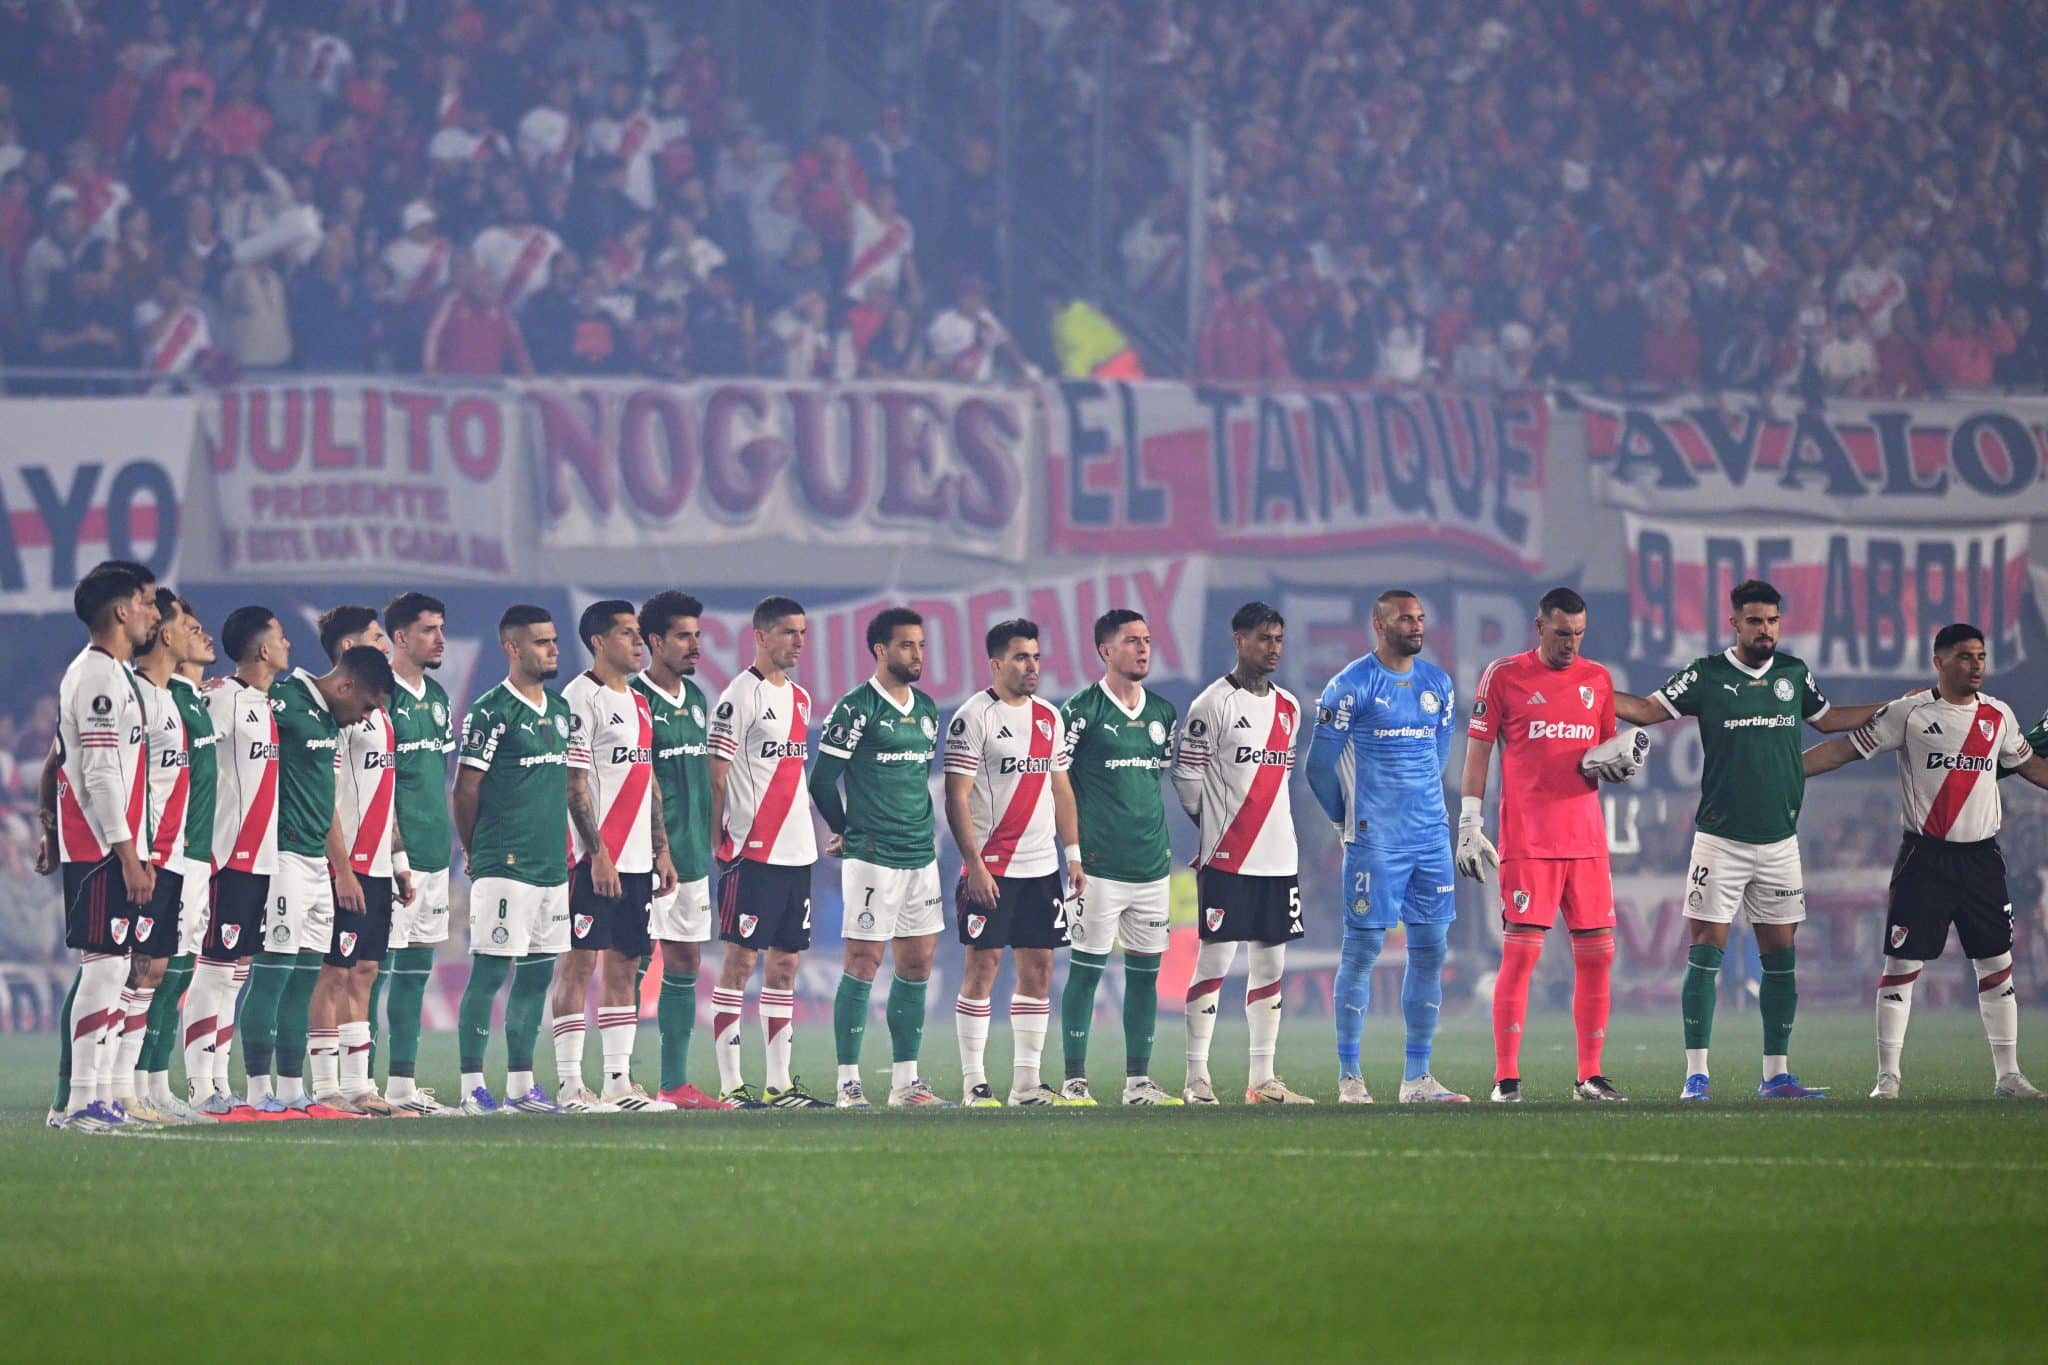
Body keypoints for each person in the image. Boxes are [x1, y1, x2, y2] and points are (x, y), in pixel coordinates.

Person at [1613, 580, 1888, 1100]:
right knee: (1705, 951)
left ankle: (1775, 1075)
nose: (1766, 630)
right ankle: (1696, 1075)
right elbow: (1648, 711)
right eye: (1756, 620)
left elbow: (1830, 722)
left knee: (1781, 957)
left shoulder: (1793, 674)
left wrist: (1894, 706)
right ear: (1734, 622)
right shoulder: (1707, 674)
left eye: (1774, 620)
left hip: (1781, 842)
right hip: (1719, 840)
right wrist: (1586, 690)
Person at [1802, 624, 2048, 1099]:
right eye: (1964, 656)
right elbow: (1844, 750)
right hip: (1925, 857)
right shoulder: (1909, 714)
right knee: (1901, 965)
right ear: (1939, 662)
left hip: (1981, 859)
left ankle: (2009, 1075)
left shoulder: (1999, 716)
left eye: (1980, 656)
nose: (1976, 664)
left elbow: (2028, 765)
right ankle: (1887, 1078)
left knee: (1996, 964)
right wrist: (1785, 769)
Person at [1456, 588, 1643, 1103]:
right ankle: (1505, 1079)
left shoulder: (1598, 679)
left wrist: (1618, 764)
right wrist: (1469, 821)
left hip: (1586, 842)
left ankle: (1589, 1074)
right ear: (1539, 627)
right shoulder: (1504, 676)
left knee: (1598, 958)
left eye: (1579, 634)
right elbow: (1478, 751)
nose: (1571, 644)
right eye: (1562, 634)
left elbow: (1602, 754)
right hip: (1529, 841)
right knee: (1520, 960)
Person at [1305, 590, 1465, 1104]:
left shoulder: (1437, 684)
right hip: (1376, 843)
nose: (1416, 626)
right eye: (1405, 619)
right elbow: (1316, 767)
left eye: (1421, 618)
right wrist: (1343, 818)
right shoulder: (1349, 686)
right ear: (1378, 624)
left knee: (1430, 951)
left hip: (1430, 839)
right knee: (1364, 951)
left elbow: (1437, 760)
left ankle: (1417, 1078)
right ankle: (1350, 1077)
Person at [809, 607, 951, 1109]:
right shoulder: (855, 708)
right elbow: (821, 780)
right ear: (881, 650)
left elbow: (916, 780)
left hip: (920, 854)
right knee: (864, 961)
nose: (917, 654)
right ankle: (848, 1082)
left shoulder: (929, 710)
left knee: (917, 963)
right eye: (907, 645)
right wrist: (846, 831)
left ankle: (905, 1083)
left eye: (922, 645)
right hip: (872, 855)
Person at [245, 632, 391, 1119]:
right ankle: (254, 1090)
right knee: (272, 976)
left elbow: (325, 800)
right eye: (368, 705)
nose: (369, 717)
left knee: (306, 978)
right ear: (346, 686)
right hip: (281, 855)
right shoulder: (282, 702)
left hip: (316, 862)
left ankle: (292, 1091)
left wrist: (343, 869)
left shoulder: (328, 721)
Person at [1173, 603, 1312, 1105]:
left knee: (1271, 967)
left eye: (1278, 638)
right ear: (1238, 640)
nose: (1272, 647)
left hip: (1279, 859)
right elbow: (1187, 779)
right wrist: (1211, 831)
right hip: (1229, 858)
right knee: (1213, 962)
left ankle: (1262, 1080)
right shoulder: (1212, 705)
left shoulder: (1290, 708)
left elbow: (1282, 782)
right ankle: (1196, 1078)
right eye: (1262, 639)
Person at [943, 618, 1084, 1107]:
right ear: (996, 663)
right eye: (1022, 657)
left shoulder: (1050, 716)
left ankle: (1026, 1082)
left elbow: (1060, 788)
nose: (1032, 666)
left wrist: (1073, 855)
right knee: (983, 967)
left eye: (1038, 657)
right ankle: (974, 1081)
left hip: (1041, 868)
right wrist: (974, 865)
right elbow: (956, 797)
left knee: (1040, 969)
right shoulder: (973, 717)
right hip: (993, 866)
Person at [551, 601, 679, 1113]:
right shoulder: (580, 699)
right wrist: (597, 853)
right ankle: (567, 1086)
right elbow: (573, 784)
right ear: (599, 641)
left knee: (626, 965)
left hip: (635, 863)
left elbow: (645, 782)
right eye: (627, 633)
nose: (639, 641)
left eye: (638, 633)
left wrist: (660, 850)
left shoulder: (641, 704)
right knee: (579, 966)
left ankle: (618, 1085)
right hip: (591, 860)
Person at [1057, 610, 1182, 1106]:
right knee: (1085, 972)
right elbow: (1057, 782)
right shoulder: (1081, 711)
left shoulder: (1163, 714)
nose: (1144, 649)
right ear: (1106, 651)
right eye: (1132, 641)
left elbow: (1160, 784)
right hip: (1098, 866)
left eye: (1148, 640)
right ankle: (1074, 1080)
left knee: (1145, 976)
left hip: (1151, 866)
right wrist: (1071, 853)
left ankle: (1138, 1083)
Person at [454, 605, 575, 1116]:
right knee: (489, 973)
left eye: (553, 641)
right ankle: (470, 1087)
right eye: (541, 642)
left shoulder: (561, 710)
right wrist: (475, 851)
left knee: (536, 975)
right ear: (512, 647)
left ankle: (522, 1086)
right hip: (504, 863)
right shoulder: (490, 710)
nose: (553, 649)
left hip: (551, 865)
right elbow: (465, 789)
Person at [49, 565, 156, 1132]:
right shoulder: (95, 676)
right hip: (98, 850)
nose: (154, 614)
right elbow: (98, 773)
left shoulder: (114, 675)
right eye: (146, 603)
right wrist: (127, 853)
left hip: (110, 846)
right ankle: (81, 1102)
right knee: (104, 967)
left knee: (114, 970)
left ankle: (99, 1099)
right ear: (121, 610)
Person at [708, 596, 827, 1108]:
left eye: (802, 633)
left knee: (785, 967)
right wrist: (720, 839)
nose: (798, 642)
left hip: (797, 854)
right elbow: (716, 774)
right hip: (753, 853)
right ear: (760, 636)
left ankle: (780, 1084)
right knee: (738, 964)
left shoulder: (800, 699)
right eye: (788, 633)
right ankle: (732, 1085)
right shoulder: (739, 696)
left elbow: (793, 775)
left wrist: (821, 830)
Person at [186, 606, 288, 1120]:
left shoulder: (265, 705)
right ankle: (199, 1086)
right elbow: (192, 766)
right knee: (214, 968)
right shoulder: (221, 698)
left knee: (234, 973)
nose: (288, 644)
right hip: (226, 856)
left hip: (260, 859)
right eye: (282, 637)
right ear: (263, 649)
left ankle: (220, 1082)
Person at [307, 608, 410, 1116]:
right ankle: (326, 1087)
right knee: (334, 970)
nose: (385, 646)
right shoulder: (340, 716)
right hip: (342, 865)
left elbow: (382, 793)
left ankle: (358, 1086)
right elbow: (324, 794)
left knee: (366, 969)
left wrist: (399, 857)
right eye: (375, 638)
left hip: (378, 866)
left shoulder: (380, 712)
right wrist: (341, 867)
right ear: (349, 649)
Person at [631, 592, 729, 1109]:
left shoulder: (695, 697)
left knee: (685, 959)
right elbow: (640, 780)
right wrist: (656, 849)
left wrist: (714, 837)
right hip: (648, 859)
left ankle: (673, 1083)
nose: (696, 645)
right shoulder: (633, 700)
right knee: (632, 962)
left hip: (691, 856)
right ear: (654, 641)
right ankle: (618, 1081)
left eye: (698, 634)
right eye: (683, 636)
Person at [117, 591, 206, 1124]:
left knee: (153, 972)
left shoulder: (170, 698)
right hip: (144, 856)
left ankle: (135, 1092)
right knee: (126, 972)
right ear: (167, 635)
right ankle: (99, 1089)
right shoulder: (133, 694)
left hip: (171, 855)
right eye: (183, 625)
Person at [375, 592, 458, 1115]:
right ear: (400, 638)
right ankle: (356, 1083)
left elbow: (441, 779)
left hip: (434, 855)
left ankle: (402, 1088)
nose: (440, 638)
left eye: (442, 627)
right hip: (387, 859)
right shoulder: (378, 696)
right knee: (369, 972)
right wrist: (394, 851)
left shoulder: (439, 696)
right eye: (428, 629)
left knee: (414, 973)